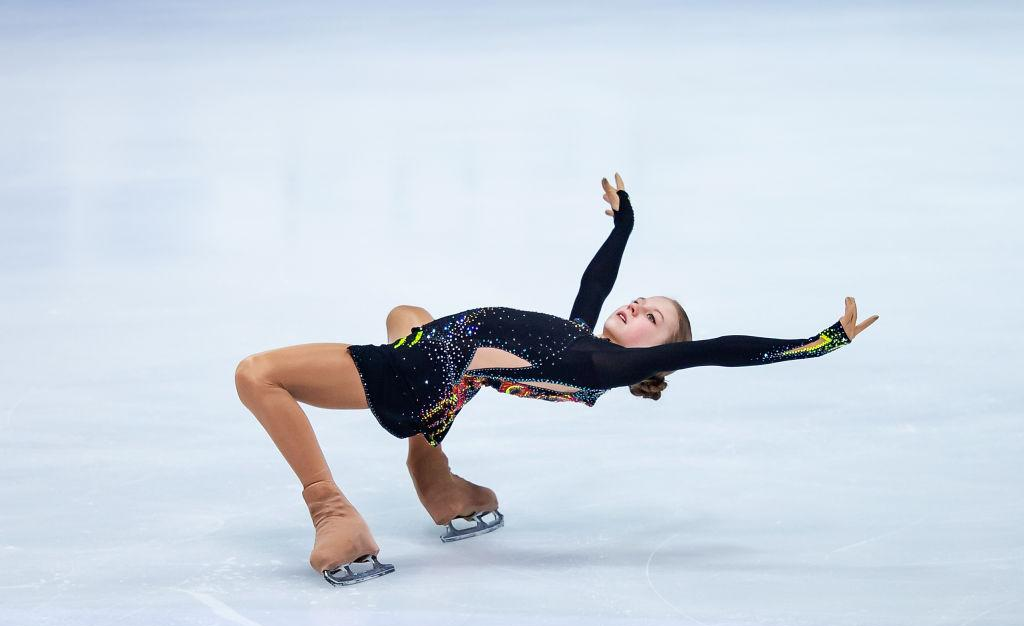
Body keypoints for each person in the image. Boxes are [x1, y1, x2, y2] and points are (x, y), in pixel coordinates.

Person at [234, 173, 879, 586]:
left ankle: (332, 511)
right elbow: (596, 284)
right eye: (640, 300)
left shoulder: (607, 365)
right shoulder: (583, 339)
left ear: (655, 353)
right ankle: (443, 486)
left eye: (650, 318)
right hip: (443, 373)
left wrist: (820, 343)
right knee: (408, 313)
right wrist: (624, 225)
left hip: (413, 373)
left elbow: (722, 349)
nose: (632, 308)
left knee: (257, 375)